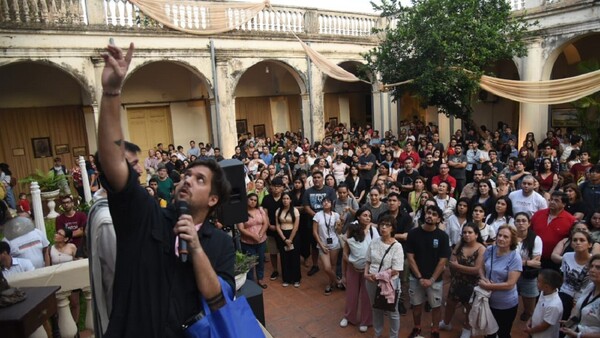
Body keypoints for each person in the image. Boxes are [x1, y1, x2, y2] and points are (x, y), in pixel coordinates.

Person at [97, 41, 235, 337]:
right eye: (187, 174)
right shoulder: (146, 217)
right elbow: (113, 164)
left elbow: (218, 300)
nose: (187, 179)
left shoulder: (220, 244)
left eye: (200, 179)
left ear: (213, 199)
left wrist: (196, 249)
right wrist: (110, 93)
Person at [406, 205, 451, 338]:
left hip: (435, 280)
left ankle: (435, 330)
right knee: (416, 305)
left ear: (438, 219)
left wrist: (431, 279)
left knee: (436, 306)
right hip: (416, 278)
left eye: (434, 214)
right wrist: (420, 277)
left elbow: (443, 261)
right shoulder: (413, 233)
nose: (430, 216)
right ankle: (417, 328)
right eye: (428, 213)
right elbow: (410, 257)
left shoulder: (443, 236)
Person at [439, 223, 486, 338]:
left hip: (472, 284)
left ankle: (467, 328)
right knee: (450, 303)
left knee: (469, 307)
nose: (467, 235)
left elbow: (476, 269)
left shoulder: (481, 249)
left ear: (476, 235)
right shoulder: (460, 245)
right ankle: (446, 323)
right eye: (464, 232)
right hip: (457, 281)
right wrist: (456, 267)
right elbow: (452, 260)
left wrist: (458, 267)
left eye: (470, 232)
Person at [479, 225, 523, 338]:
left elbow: (510, 284)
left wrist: (488, 286)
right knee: (488, 331)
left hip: (506, 304)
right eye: (499, 235)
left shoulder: (515, 257)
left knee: (503, 332)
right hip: (487, 300)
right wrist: (483, 279)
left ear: (512, 240)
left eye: (505, 237)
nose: (501, 239)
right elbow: (480, 267)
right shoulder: (490, 250)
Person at [340, 209, 379, 333]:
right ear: (358, 217)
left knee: (367, 295)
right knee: (351, 294)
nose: (367, 218)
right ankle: (348, 317)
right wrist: (349, 266)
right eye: (365, 215)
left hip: (368, 270)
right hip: (353, 269)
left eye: (369, 216)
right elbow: (345, 254)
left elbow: (378, 251)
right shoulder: (352, 230)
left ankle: (366, 321)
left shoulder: (374, 231)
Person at [364, 215, 404, 338]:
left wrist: (377, 276)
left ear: (392, 228)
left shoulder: (397, 246)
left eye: (387, 225)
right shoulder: (374, 242)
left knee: (393, 311)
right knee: (376, 308)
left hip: (389, 283)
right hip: (371, 281)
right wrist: (366, 274)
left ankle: (393, 336)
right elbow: (368, 261)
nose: (384, 227)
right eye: (382, 225)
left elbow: (396, 270)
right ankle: (377, 333)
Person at [303, 171, 337, 277]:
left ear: (322, 178)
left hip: (329, 222)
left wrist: (324, 217)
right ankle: (315, 265)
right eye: (314, 177)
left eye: (318, 177)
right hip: (313, 222)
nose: (316, 179)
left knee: (331, 241)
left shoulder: (330, 190)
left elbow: (334, 204)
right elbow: (306, 207)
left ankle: (331, 266)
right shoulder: (308, 191)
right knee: (314, 245)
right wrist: (318, 217)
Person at [531, 191, 576, 270]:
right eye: (551, 199)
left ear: (564, 204)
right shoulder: (538, 214)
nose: (552, 202)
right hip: (534, 257)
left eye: (556, 200)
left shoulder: (570, 220)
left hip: (553, 262)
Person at [559, 254, 600, 338]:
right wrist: (570, 323)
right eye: (591, 266)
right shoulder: (590, 286)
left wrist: (578, 335)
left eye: (598, 268)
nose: (592, 270)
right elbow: (581, 310)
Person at [514, 212, 543, 322]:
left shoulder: (536, 239)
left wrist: (521, 263)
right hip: (511, 274)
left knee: (529, 308)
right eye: (518, 221)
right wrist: (527, 262)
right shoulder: (510, 237)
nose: (521, 223)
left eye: (524, 221)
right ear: (514, 223)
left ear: (529, 223)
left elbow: (536, 262)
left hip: (528, 275)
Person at [559, 230, 592, 321]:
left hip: (584, 298)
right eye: (575, 240)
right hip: (564, 293)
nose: (578, 242)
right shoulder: (566, 256)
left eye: (582, 240)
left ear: (590, 244)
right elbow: (564, 278)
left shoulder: (594, 262)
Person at [237, 193, 269, 289]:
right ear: (247, 200)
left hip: (261, 240)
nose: (253, 202)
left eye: (255, 200)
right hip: (247, 242)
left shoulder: (260, 210)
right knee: (250, 263)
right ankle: (250, 282)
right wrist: (253, 236)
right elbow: (241, 229)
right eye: (251, 199)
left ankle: (260, 279)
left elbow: (266, 223)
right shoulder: (241, 212)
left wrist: (260, 234)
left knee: (260, 261)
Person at [312, 197, 342, 295]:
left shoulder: (336, 215)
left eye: (328, 201)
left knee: (333, 266)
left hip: (334, 243)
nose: (326, 203)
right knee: (327, 268)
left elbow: (338, 231)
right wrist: (321, 245)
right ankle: (338, 281)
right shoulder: (317, 215)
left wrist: (339, 225)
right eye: (324, 201)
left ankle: (330, 284)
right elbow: (314, 232)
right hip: (322, 244)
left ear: (331, 204)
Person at [50, 228, 81, 321]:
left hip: (71, 277)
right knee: (59, 304)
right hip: (57, 279)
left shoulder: (72, 247)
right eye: (56, 233)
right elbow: (48, 266)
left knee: (74, 303)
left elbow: (78, 261)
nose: (56, 235)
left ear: (66, 239)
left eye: (59, 234)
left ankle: (75, 325)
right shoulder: (50, 249)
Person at [523, 269, 563, 338]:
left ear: (546, 286)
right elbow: (537, 309)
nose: (536, 282)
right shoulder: (543, 292)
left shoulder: (554, 306)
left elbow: (544, 326)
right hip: (534, 333)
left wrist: (530, 331)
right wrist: (530, 320)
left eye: (538, 281)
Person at [275, 192, 301, 288]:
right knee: (284, 257)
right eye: (283, 198)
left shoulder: (295, 210)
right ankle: (286, 279)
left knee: (294, 257)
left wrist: (290, 239)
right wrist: (284, 239)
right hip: (282, 235)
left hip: (293, 235)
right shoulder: (278, 210)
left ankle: (296, 279)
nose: (285, 200)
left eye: (287, 198)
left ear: (290, 200)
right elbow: (277, 226)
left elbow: (296, 226)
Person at [261, 177, 285, 281]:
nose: (276, 188)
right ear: (271, 187)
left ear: (283, 188)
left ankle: (286, 270)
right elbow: (264, 214)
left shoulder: (285, 197)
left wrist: (280, 226)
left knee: (284, 251)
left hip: (284, 229)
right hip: (271, 228)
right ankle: (275, 270)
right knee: (273, 251)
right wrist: (269, 225)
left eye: (278, 186)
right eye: (274, 186)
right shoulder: (266, 198)